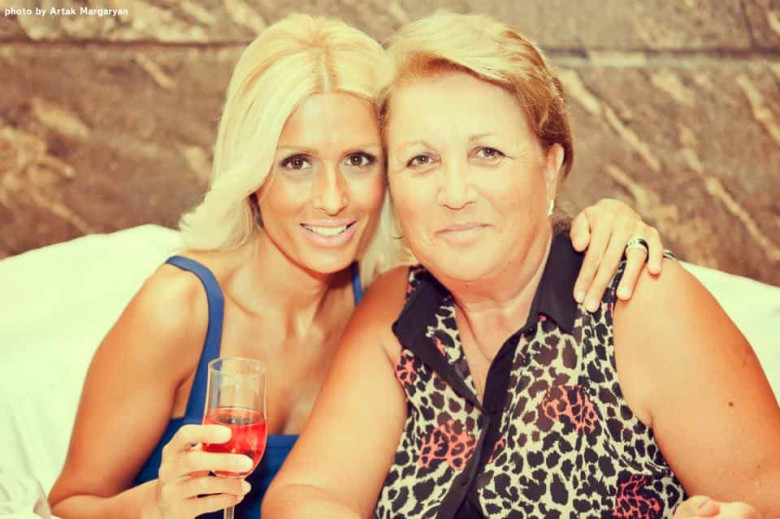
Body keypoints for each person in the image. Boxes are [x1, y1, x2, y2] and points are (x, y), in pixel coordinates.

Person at [48, 14, 669, 519]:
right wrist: (157, 504)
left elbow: (508, 233)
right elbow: (68, 504)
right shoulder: (179, 308)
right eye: (296, 163)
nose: (332, 198)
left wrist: (607, 223)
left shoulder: (390, 303)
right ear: (253, 172)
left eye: (359, 160)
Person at [263, 12, 780, 519]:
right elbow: (308, 493)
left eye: (487, 153)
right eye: (421, 160)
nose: (455, 193)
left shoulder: (639, 304)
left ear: (550, 167)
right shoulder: (396, 308)